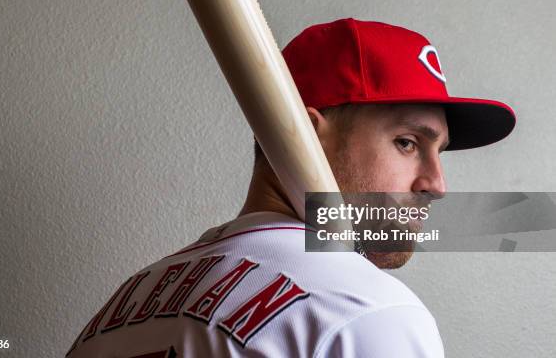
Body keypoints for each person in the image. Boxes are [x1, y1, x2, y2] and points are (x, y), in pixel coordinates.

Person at [66, 18, 515, 357]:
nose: (436, 184)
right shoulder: (366, 310)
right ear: (305, 134)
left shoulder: (126, 302)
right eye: (406, 143)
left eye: (440, 151)